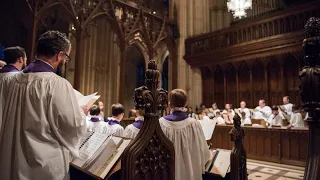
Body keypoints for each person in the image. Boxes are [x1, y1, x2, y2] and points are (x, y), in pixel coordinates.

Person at [0, 30, 87, 180]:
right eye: (66, 57)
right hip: (44, 167)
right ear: (59, 55)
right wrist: (80, 112)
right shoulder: (57, 84)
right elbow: (73, 125)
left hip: (13, 160)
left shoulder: (12, 81)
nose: (65, 61)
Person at [159, 89, 211, 180]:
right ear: (186, 103)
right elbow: (204, 152)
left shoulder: (161, 123)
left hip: (168, 172)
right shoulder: (194, 124)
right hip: (190, 174)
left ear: (170, 105)